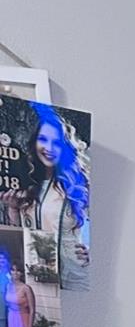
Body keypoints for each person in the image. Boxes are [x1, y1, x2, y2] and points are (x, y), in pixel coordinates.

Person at [5, 107, 89, 287]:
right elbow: (21, 235)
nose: (49, 148)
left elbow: (97, 228)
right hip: (39, 275)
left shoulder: (77, 184)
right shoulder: (27, 185)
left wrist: (92, 249)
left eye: (56, 142)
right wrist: (12, 208)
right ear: (35, 143)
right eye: (43, 139)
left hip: (74, 277)